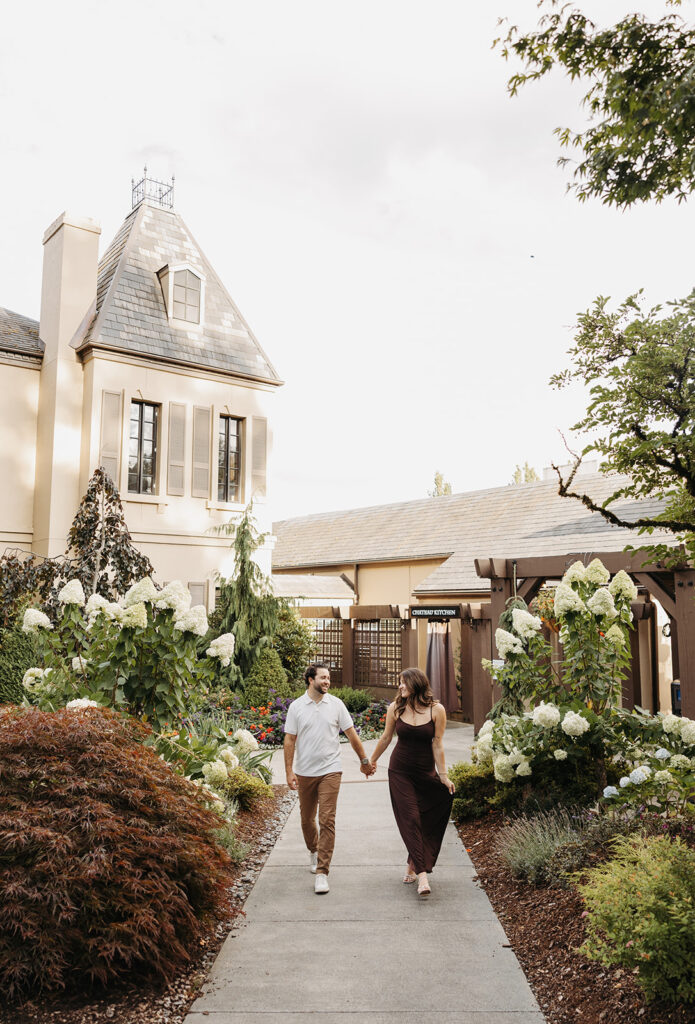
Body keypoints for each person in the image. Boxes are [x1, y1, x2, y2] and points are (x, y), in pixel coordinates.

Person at [284, 663, 374, 894]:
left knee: (327, 820)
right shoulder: (296, 707)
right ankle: (313, 850)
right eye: (323, 677)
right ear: (310, 679)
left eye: (328, 678)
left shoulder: (336, 705)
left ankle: (323, 872)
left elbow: (351, 735)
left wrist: (364, 761)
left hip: (330, 770)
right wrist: (289, 771)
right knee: (306, 819)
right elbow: (290, 741)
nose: (327, 681)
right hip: (305, 772)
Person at [369, 667, 455, 897]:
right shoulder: (396, 708)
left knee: (427, 817)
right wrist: (371, 761)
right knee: (411, 818)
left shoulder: (437, 710)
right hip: (400, 772)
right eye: (399, 683)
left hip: (425, 773)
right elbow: (386, 737)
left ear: (416, 684)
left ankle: (411, 862)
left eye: (404, 683)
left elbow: (437, 743)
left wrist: (443, 776)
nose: (400, 686)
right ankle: (422, 875)